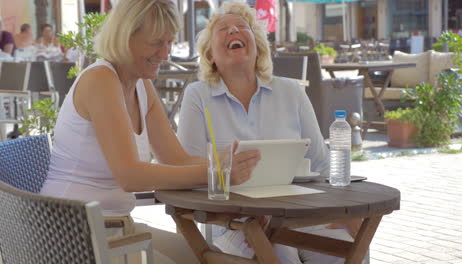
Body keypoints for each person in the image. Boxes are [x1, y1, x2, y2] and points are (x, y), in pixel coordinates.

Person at [39, 0, 260, 263]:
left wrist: (233, 167)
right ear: (125, 37)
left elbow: (177, 159)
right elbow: (131, 176)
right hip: (68, 234)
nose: (165, 54)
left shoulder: (141, 85)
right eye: (157, 42)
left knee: (206, 258)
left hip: (113, 227)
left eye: (169, 42)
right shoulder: (101, 80)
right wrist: (217, 172)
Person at [177, 2, 360, 264]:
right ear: (210, 56)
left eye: (242, 27)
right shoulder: (198, 95)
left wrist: (346, 211)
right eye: (223, 29)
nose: (234, 31)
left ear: (258, 47)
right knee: (278, 254)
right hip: (236, 222)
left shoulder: (291, 91)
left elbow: (322, 163)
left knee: (347, 249)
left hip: (300, 215)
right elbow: (188, 173)